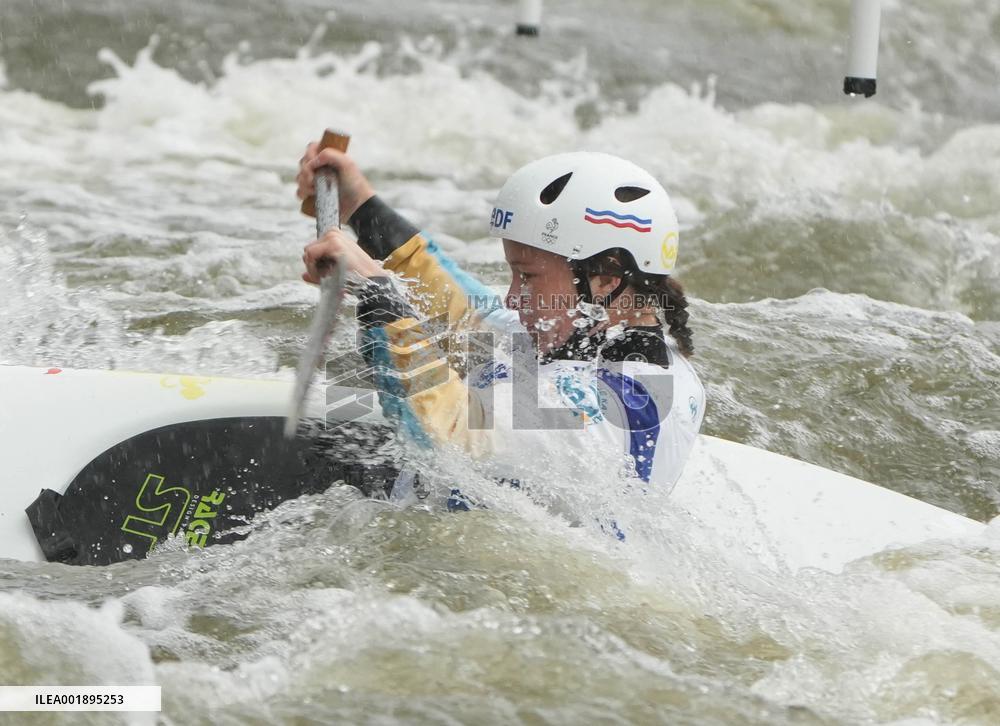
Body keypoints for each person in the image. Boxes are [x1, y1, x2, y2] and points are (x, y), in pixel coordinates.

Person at [295, 145, 705, 524]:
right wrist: (361, 208)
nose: (512, 298)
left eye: (528, 277)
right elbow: (462, 316)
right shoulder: (589, 337)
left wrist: (377, 293)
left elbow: (452, 439)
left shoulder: (622, 408)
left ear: (604, 280)